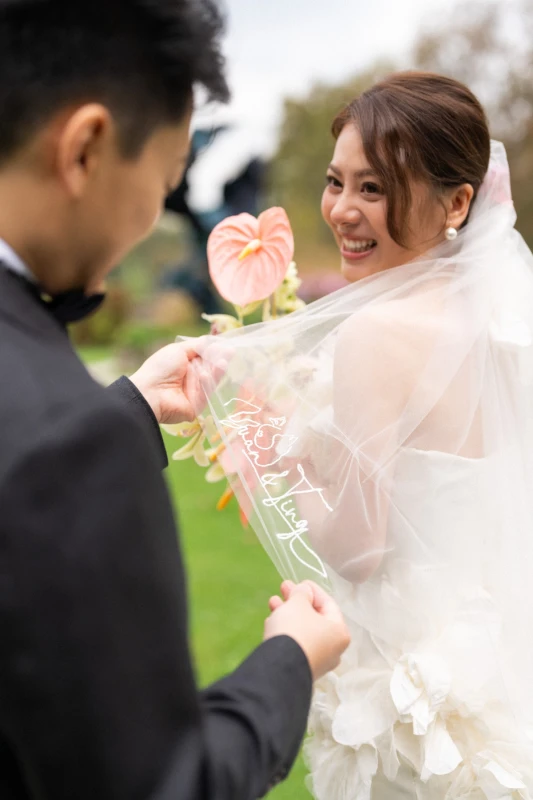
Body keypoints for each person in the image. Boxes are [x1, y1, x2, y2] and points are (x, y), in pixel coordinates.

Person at [0, 1, 351, 798]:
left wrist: (125, 409)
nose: (154, 215)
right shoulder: (66, 442)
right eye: (161, 183)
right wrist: (289, 660)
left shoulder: (64, 422)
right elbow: (168, 784)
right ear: (87, 148)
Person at [199, 72, 533, 799]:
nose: (342, 211)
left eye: (374, 189)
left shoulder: (376, 333)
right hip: (493, 672)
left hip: (406, 699)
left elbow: (357, 546)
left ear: (457, 203)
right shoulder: (500, 325)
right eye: (334, 182)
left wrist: (260, 458)